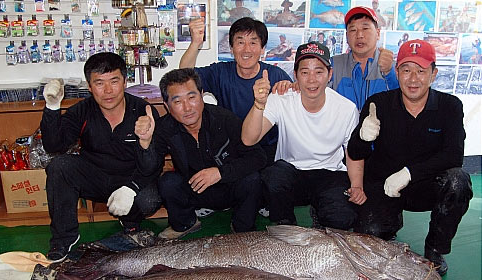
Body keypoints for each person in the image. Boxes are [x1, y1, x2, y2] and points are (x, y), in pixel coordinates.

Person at [347, 40, 473, 276]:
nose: (413, 79)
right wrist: (363, 137)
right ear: (397, 72)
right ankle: (390, 224)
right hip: (385, 187)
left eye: (421, 71)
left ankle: (435, 247)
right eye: (406, 70)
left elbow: (454, 155)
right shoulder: (378, 104)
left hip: (425, 186)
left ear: (433, 74)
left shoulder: (450, 106)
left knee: (458, 181)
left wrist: (409, 173)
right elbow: (355, 153)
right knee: (369, 236)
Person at [41, 52, 162, 262]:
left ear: (125, 81)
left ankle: (130, 221)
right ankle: (63, 239)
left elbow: (154, 165)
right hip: (95, 178)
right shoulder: (82, 110)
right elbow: (54, 146)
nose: (107, 91)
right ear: (89, 86)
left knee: (150, 199)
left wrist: (132, 187)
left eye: (114, 81)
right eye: (99, 83)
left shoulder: (144, 111)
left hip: (131, 179)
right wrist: (52, 107)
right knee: (59, 166)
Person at [242, 42, 365, 229]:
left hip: (330, 174)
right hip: (292, 172)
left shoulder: (346, 108)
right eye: (305, 72)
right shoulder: (281, 99)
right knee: (273, 177)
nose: (312, 79)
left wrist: (356, 185)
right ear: (295, 75)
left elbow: (353, 151)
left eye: (319, 71)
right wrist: (259, 103)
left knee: (342, 219)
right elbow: (249, 139)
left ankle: (320, 211)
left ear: (329, 75)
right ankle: (285, 225)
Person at [154, 68, 267, 239]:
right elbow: (150, 167)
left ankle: (243, 228)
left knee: (251, 179)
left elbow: (258, 157)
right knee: (168, 182)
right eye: (177, 101)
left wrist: (220, 173)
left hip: (229, 187)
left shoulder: (224, 118)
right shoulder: (164, 128)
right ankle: (186, 223)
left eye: (192, 97)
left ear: (202, 95)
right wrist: (145, 143)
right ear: (166, 106)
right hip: (195, 191)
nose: (187, 108)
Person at [179, 16, 292, 164]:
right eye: (240, 42)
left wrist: (288, 87)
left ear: (262, 49)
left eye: (253, 42)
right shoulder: (221, 72)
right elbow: (185, 78)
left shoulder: (276, 75)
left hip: (267, 150)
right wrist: (195, 43)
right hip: (230, 150)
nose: (246, 49)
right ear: (231, 48)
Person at [331, 6, 398, 111]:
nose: (359, 35)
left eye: (365, 28)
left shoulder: (394, 67)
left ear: (378, 33)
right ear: (347, 36)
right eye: (353, 30)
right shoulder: (333, 65)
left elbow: (405, 102)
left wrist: (390, 73)